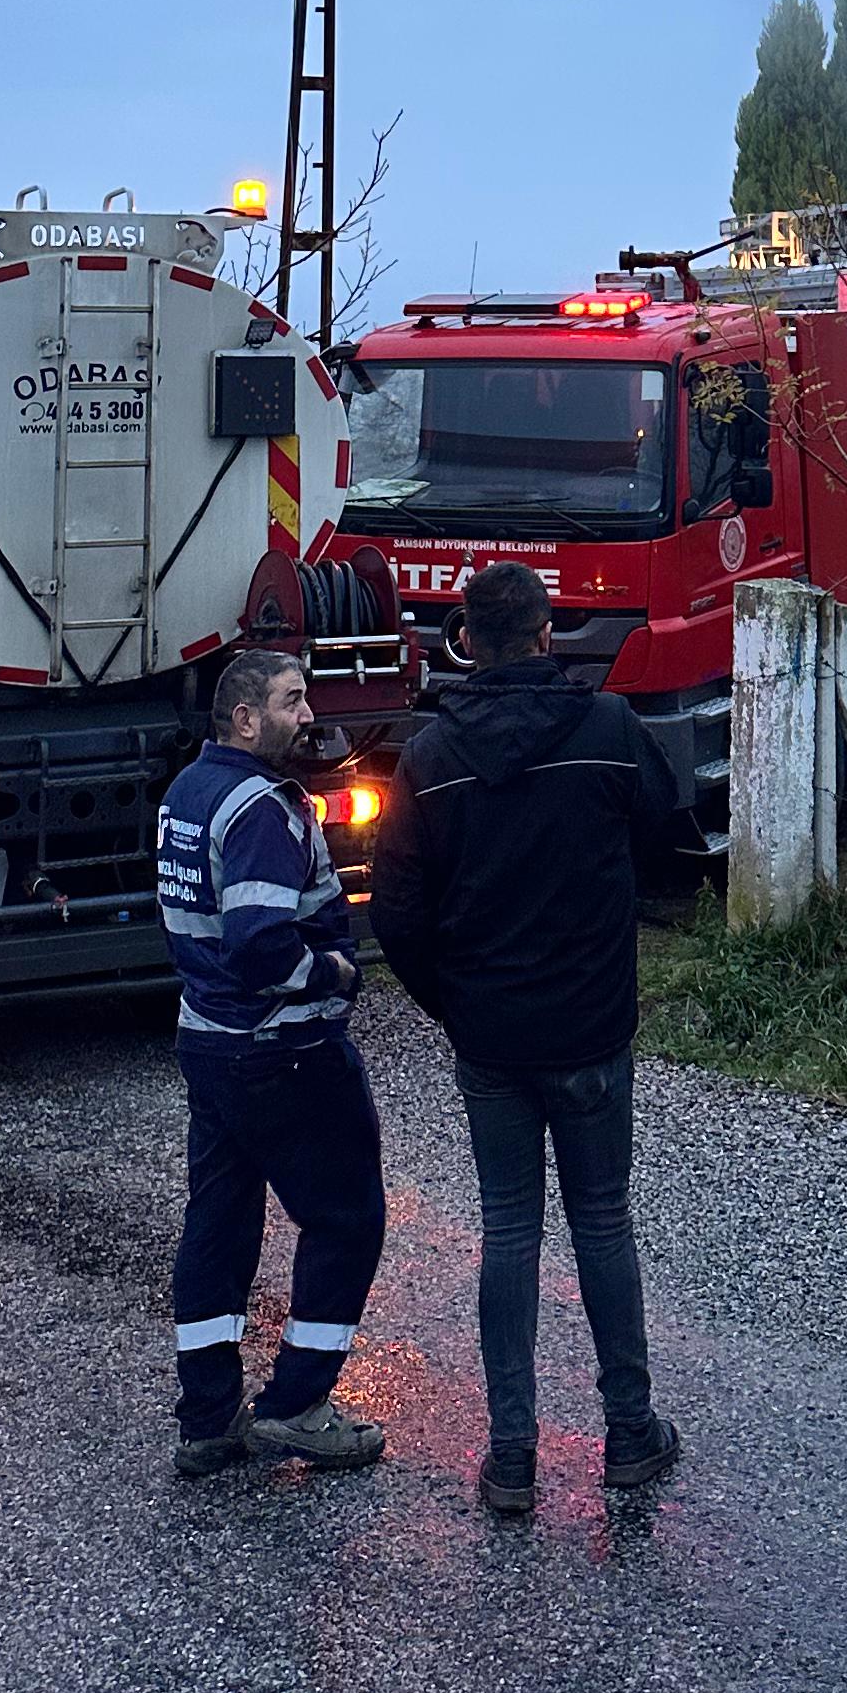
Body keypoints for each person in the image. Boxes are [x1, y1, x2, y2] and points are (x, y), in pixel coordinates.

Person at [369, 554, 686, 1515]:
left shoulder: (428, 759)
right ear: (547, 634)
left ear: (463, 641)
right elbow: (669, 841)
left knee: (508, 1230)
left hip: (493, 1038)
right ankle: (628, 1433)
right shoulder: (609, 729)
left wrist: (453, 1003)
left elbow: (396, 916)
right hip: (590, 1029)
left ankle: (511, 1455)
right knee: (603, 1223)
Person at [157, 644, 390, 1479]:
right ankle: (297, 1405)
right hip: (283, 1050)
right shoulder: (259, 806)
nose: (310, 714)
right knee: (346, 1217)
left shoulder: (190, 790)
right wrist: (328, 971)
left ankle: (208, 1418)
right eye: (293, 701)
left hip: (209, 1044)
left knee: (218, 1227)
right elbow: (259, 941)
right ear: (245, 719)